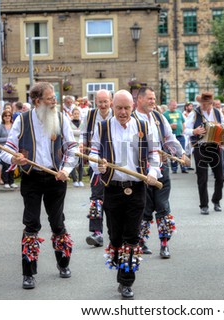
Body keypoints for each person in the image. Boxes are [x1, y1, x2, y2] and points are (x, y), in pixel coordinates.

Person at [0, 82, 78, 290]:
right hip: (31, 178)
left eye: (54, 98)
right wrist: (14, 159)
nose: (55, 102)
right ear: (37, 101)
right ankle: (28, 273)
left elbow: (72, 148)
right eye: (50, 98)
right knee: (31, 224)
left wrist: (66, 170)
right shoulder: (22, 120)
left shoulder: (61, 118)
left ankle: (63, 264)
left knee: (57, 223)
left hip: (56, 178)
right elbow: (5, 150)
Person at [89, 89, 161, 299]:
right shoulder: (102, 128)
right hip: (112, 188)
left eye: (126, 108)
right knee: (115, 236)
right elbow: (93, 152)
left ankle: (126, 281)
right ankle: (121, 268)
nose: (122, 112)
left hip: (138, 188)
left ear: (132, 107)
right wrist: (98, 166)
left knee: (132, 236)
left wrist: (152, 172)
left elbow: (154, 153)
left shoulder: (144, 126)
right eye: (119, 107)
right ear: (112, 106)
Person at [134, 87, 185, 258]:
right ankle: (141, 241)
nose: (153, 102)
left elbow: (170, 138)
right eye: (149, 98)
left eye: (154, 99)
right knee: (145, 207)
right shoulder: (132, 119)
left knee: (162, 206)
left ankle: (164, 244)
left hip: (161, 167)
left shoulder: (158, 117)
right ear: (139, 99)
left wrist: (182, 154)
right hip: (141, 171)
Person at [184, 92, 224, 215]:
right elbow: (185, 130)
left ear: (211, 103)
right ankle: (204, 205)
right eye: (202, 103)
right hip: (200, 147)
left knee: (220, 177)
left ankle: (216, 200)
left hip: (215, 147)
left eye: (207, 103)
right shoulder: (195, 113)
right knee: (202, 178)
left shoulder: (218, 113)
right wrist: (194, 131)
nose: (204, 105)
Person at [80, 89, 113, 247]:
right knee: (96, 199)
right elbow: (82, 133)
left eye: (105, 101)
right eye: (100, 102)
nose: (103, 105)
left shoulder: (117, 113)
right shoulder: (90, 115)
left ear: (110, 101)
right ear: (95, 102)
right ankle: (96, 233)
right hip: (96, 160)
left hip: (115, 163)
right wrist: (82, 143)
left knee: (114, 199)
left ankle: (114, 232)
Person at [163, 99, 188, 174]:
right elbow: (164, 126)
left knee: (182, 151)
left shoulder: (179, 112)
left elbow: (183, 122)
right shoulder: (165, 114)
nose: (174, 106)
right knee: (173, 152)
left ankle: (183, 167)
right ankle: (174, 168)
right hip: (172, 137)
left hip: (180, 135)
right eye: (173, 105)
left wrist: (183, 130)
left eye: (175, 105)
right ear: (169, 105)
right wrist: (170, 126)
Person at [0, 109, 17, 189]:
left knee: (13, 165)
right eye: (5, 116)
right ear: (3, 117)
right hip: (3, 149)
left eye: (9, 116)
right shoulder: (0, 127)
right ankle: (6, 181)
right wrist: (7, 139)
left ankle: (12, 181)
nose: (7, 117)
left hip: (13, 149)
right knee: (5, 166)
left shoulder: (14, 126)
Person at [69, 108, 84, 187]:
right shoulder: (69, 123)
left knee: (81, 163)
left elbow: (83, 134)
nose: (76, 115)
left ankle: (80, 180)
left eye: (78, 114)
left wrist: (82, 143)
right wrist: (78, 132)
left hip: (80, 145)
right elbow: (69, 133)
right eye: (75, 113)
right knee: (71, 163)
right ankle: (74, 180)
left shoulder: (82, 123)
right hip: (72, 145)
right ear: (72, 114)